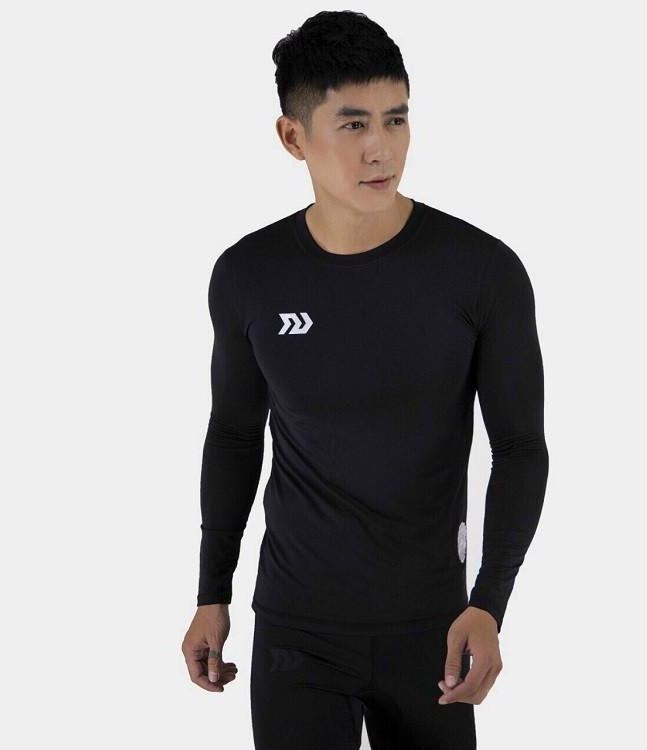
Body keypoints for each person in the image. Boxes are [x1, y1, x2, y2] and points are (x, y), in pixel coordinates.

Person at [181, 10, 549, 749]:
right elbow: (234, 434)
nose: (382, 148)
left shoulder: (481, 271)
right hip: (296, 630)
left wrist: (489, 604)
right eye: (353, 124)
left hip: (434, 628)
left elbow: (519, 448)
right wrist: (211, 592)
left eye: (396, 119)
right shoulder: (250, 275)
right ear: (293, 137)